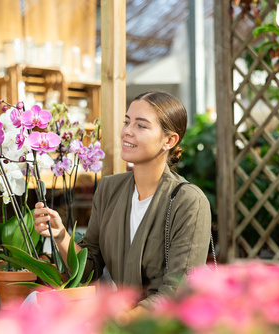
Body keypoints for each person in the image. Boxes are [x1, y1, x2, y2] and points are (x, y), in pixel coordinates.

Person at [33, 91, 211, 312]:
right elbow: (90, 269)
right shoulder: (109, 189)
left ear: (169, 140)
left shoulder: (188, 202)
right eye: (127, 122)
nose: (127, 131)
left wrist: (118, 322)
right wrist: (60, 235)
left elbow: (177, 293)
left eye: (141, 126)